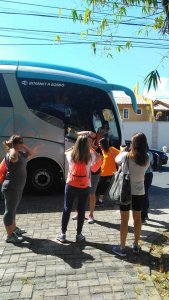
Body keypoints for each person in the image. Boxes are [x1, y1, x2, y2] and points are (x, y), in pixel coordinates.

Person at [56, 135, 102, 243]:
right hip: (84, 186)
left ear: (76, 144)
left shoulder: (71, 154)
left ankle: (62, 234)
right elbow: (99, 157)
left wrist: (74, 147)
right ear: (87, 145)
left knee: (67, 209)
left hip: (71, 184)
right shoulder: (90, 156)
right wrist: (90, 147)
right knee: (81, 211)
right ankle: (78, 235)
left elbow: (65, 151)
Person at [112, 132, 150, 257]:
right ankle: (136, 244)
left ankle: (122, 247)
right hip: (139, 192)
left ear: (133, 144)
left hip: (125, 191)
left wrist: (123, 150)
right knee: (138, 219)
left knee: (124, 220)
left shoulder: (126, 156)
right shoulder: (147, 158)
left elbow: (116, 160)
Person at [1, 134, 33, 243]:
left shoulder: (20, 153)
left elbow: (31, 153)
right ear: (15, 143)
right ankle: (9, 236)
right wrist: (12, 147)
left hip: (17, 187)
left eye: (22, 142)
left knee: (13, 209)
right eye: (20, 142)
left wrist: (22, 146)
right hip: (11, 187)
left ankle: (14, 229)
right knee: (9, 211)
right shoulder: (12, 153)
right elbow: (13, 158)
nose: (22, 144)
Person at [72, 132, 102, 224]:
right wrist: (88, 132)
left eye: (90, 140)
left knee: (91, 194)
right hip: (83, 174)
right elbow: (76, 134)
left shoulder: (98, 150)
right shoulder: (82, 149)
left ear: (93, 141)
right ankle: (78, 213)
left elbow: (98, 161)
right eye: (86, 141)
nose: (87, 142)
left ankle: (91, 215)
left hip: (94, 174)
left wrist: (91, 148)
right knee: (79, 193)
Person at [96, 137, 120, 206]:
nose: (99, 145)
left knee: (103, 187)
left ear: (104, 144)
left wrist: (115, 157)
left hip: (110, 172)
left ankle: (101, 201)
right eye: (98, 144)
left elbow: (121, 154)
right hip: (102, 172)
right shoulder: (102, 150)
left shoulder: (111, 149)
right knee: (102, 187)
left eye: (100, 144)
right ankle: (101, 200)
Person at [141, 147, 154, 224]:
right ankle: (145, 214)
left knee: (144, 195)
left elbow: (146, 164)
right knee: (145, 194)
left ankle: (143, 216)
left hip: (146, 174)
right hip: (147, 174)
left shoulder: (147, 154)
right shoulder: (149, 153)